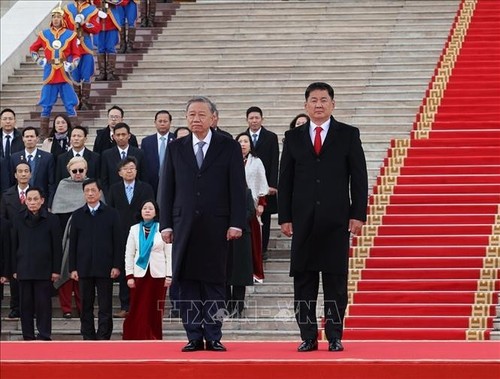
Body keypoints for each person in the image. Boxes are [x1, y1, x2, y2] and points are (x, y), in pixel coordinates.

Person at [278, 82, 368, 352]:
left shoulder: (348, 135)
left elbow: (359, 178)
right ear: (306, 105)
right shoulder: (293, 138)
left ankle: (335, 335)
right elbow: (286, 181)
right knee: (304, 282)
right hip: (303, 222)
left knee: (336, 283)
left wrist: (357, 214)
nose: (319, 104)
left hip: (336, 220)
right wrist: (285, 216)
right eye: (314, 100)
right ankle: (307, 336)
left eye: (324, 100)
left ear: (333, 104)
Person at [159, 96, 246, 352]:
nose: (196, 119)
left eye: (201, 115)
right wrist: (166, 224)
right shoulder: (176, 147)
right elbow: (167, 188)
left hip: (217, 227)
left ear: (213, 118)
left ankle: (214, 334)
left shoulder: (228, 146)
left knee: (215, 284)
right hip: (183, 225)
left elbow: (237, 188)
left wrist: (236, 222)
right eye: (191, 115)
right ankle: (194, 335)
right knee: (187, 285)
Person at [69, 178, 122, 340]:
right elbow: (73, 244)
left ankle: (104, 336)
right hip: (84, 267)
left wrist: (116, 265)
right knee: (86, 305)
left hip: (105, 267)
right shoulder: (78, 215)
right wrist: (73, 268)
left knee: (105, 305)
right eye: (87, 191)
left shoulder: (112, 214)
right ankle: (88, 335)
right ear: (83, 193)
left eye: (93, 190)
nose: (90, 193)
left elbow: (118, 242)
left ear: (100, 192)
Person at [11, 187, 62, 340]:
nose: (32, 202)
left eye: (35, 199)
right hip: (24, 267)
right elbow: (14, 245)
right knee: (25, 305)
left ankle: (44, 334)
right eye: (29, 199)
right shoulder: (18, 218)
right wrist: (14, 268)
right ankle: (28, 336)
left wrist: (56, 270)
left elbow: (57, 246)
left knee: (43, 305)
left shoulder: (52, 219)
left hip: (44, 269)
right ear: (25, 201)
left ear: (42, 200)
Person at [107, 156, 154, 318]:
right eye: (126, 168)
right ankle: (125, 305)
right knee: (125, 270)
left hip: (141, 233)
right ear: (119, 172)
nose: (129, 171)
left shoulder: (146, 188)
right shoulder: (113, 189)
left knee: (142, 269)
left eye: (132, 168)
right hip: (120, 234)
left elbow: (151, 209)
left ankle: (142, 305)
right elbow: (110, 212)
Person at [29, 4, 81, 139]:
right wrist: (39, 60)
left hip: (64, 73)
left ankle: (76, 132)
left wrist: (73, 65)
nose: (56, 19)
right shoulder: (44, 34)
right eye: (54, 17)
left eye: (58, 16)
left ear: (63, 19)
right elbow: (33, 49)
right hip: (49, 73)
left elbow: (77, 54)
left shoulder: (71, 35)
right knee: (46, 105)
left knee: (70, 104)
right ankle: (43, 134)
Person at [123, 200, 172, 339]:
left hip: (158, 274)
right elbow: (129, 253)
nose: (147, 211)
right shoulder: (134, 229)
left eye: (151, 208)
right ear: (141, 211)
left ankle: (154, 335)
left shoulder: (163, 229)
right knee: (138, 306)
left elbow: (169, 253)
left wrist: (169, 275)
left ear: (156, 212)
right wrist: (129, 275)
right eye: (145, 208)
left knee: (155, 308)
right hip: (139, 273)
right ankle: (136, 335)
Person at [51, 157, 89, 318]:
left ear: (86, 170)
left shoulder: (91, 186)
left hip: (86, 238)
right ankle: (66, 308)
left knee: (83, 276)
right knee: (65, 273)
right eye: (75, 171)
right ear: (69, 171)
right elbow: (57, 212)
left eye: (81, 170)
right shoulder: (63, 185)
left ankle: (83, 308)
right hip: (65, 238)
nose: (78, 173)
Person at [244, 106, 279, 261]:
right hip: (247, 186)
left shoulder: (270, 137)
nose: (254, 121)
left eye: (256, 118)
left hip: (264, 186)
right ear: (247, 120)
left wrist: (272, 184)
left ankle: (262, 249)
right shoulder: (243, 138)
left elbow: (274, 161)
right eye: (251, 118)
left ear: (262, 119)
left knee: (264, 218)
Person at [235, 132, 269, 283]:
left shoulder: (257, 161)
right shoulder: (231, 160)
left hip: (252, 206)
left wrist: (261, 203)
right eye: (240, 141)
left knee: (253, 241)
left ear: (250, 144)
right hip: (233, 205)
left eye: (246, 141)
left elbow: (262, 182)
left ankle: (255, 272)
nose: (243, 144)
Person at [0, 162, 31, 320]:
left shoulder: (35, 193)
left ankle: (29, 307)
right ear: (15, 175)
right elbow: (3, 220)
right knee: (14, 274)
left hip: (31, 240)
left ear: (30, 174)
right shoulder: (7, 195)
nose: (23, 174)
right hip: (11, 240)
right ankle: (15, 306)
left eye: (26, 171)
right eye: (20, 171)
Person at [64, 0, 103, 110]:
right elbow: (64, 28)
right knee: (74, 75)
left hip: (85, 45)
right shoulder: (67, 9)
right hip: (72, 46)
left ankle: (85, 101)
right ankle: (77, 101)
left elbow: (96, 28)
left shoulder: (92, 10)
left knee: (86, 74)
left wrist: (84, 24)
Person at [9, 127, 56, 208]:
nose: (29, 139)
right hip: (20, 203)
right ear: (23, 139)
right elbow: (11, 181)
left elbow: (51, 183)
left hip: (41, 203)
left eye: (32, 136)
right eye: (27, 137)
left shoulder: (47, 157)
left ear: (37, 139)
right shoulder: (15, 157)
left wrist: (49, 204)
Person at [226, 188, 254, 318]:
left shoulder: (246, 192)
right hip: (223, 236)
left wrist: (235, 223)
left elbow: (250, 212)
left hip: (241, 237)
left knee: (239, 275)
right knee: (224, 274)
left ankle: (238, 308)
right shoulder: (220, 191)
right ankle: (225, 307)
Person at [100, 122, 147, 196]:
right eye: (118, 135)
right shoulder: (106, 155)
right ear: (114, 137)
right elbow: (104, 179)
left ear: (129, 136)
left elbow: (143, 176)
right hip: (114, 196)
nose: (121, 137)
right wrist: (108, 196)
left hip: (136, 195)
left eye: (123, 134)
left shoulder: (139, 153)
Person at [141, 110, 176, 196]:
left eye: (165, 121)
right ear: (155, 122)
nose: (162, 124)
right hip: (152, 183)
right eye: (160, 121)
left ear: (170, 122)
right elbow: (144, 165)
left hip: (172, 181)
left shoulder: (176, 140)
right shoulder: (146, 142)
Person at [93, 0, 127, 81]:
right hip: (99, 21)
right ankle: (102, 73)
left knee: (111, 48)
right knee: (100, 48)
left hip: (112, 21)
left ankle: (110, 73)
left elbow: (123, 2)